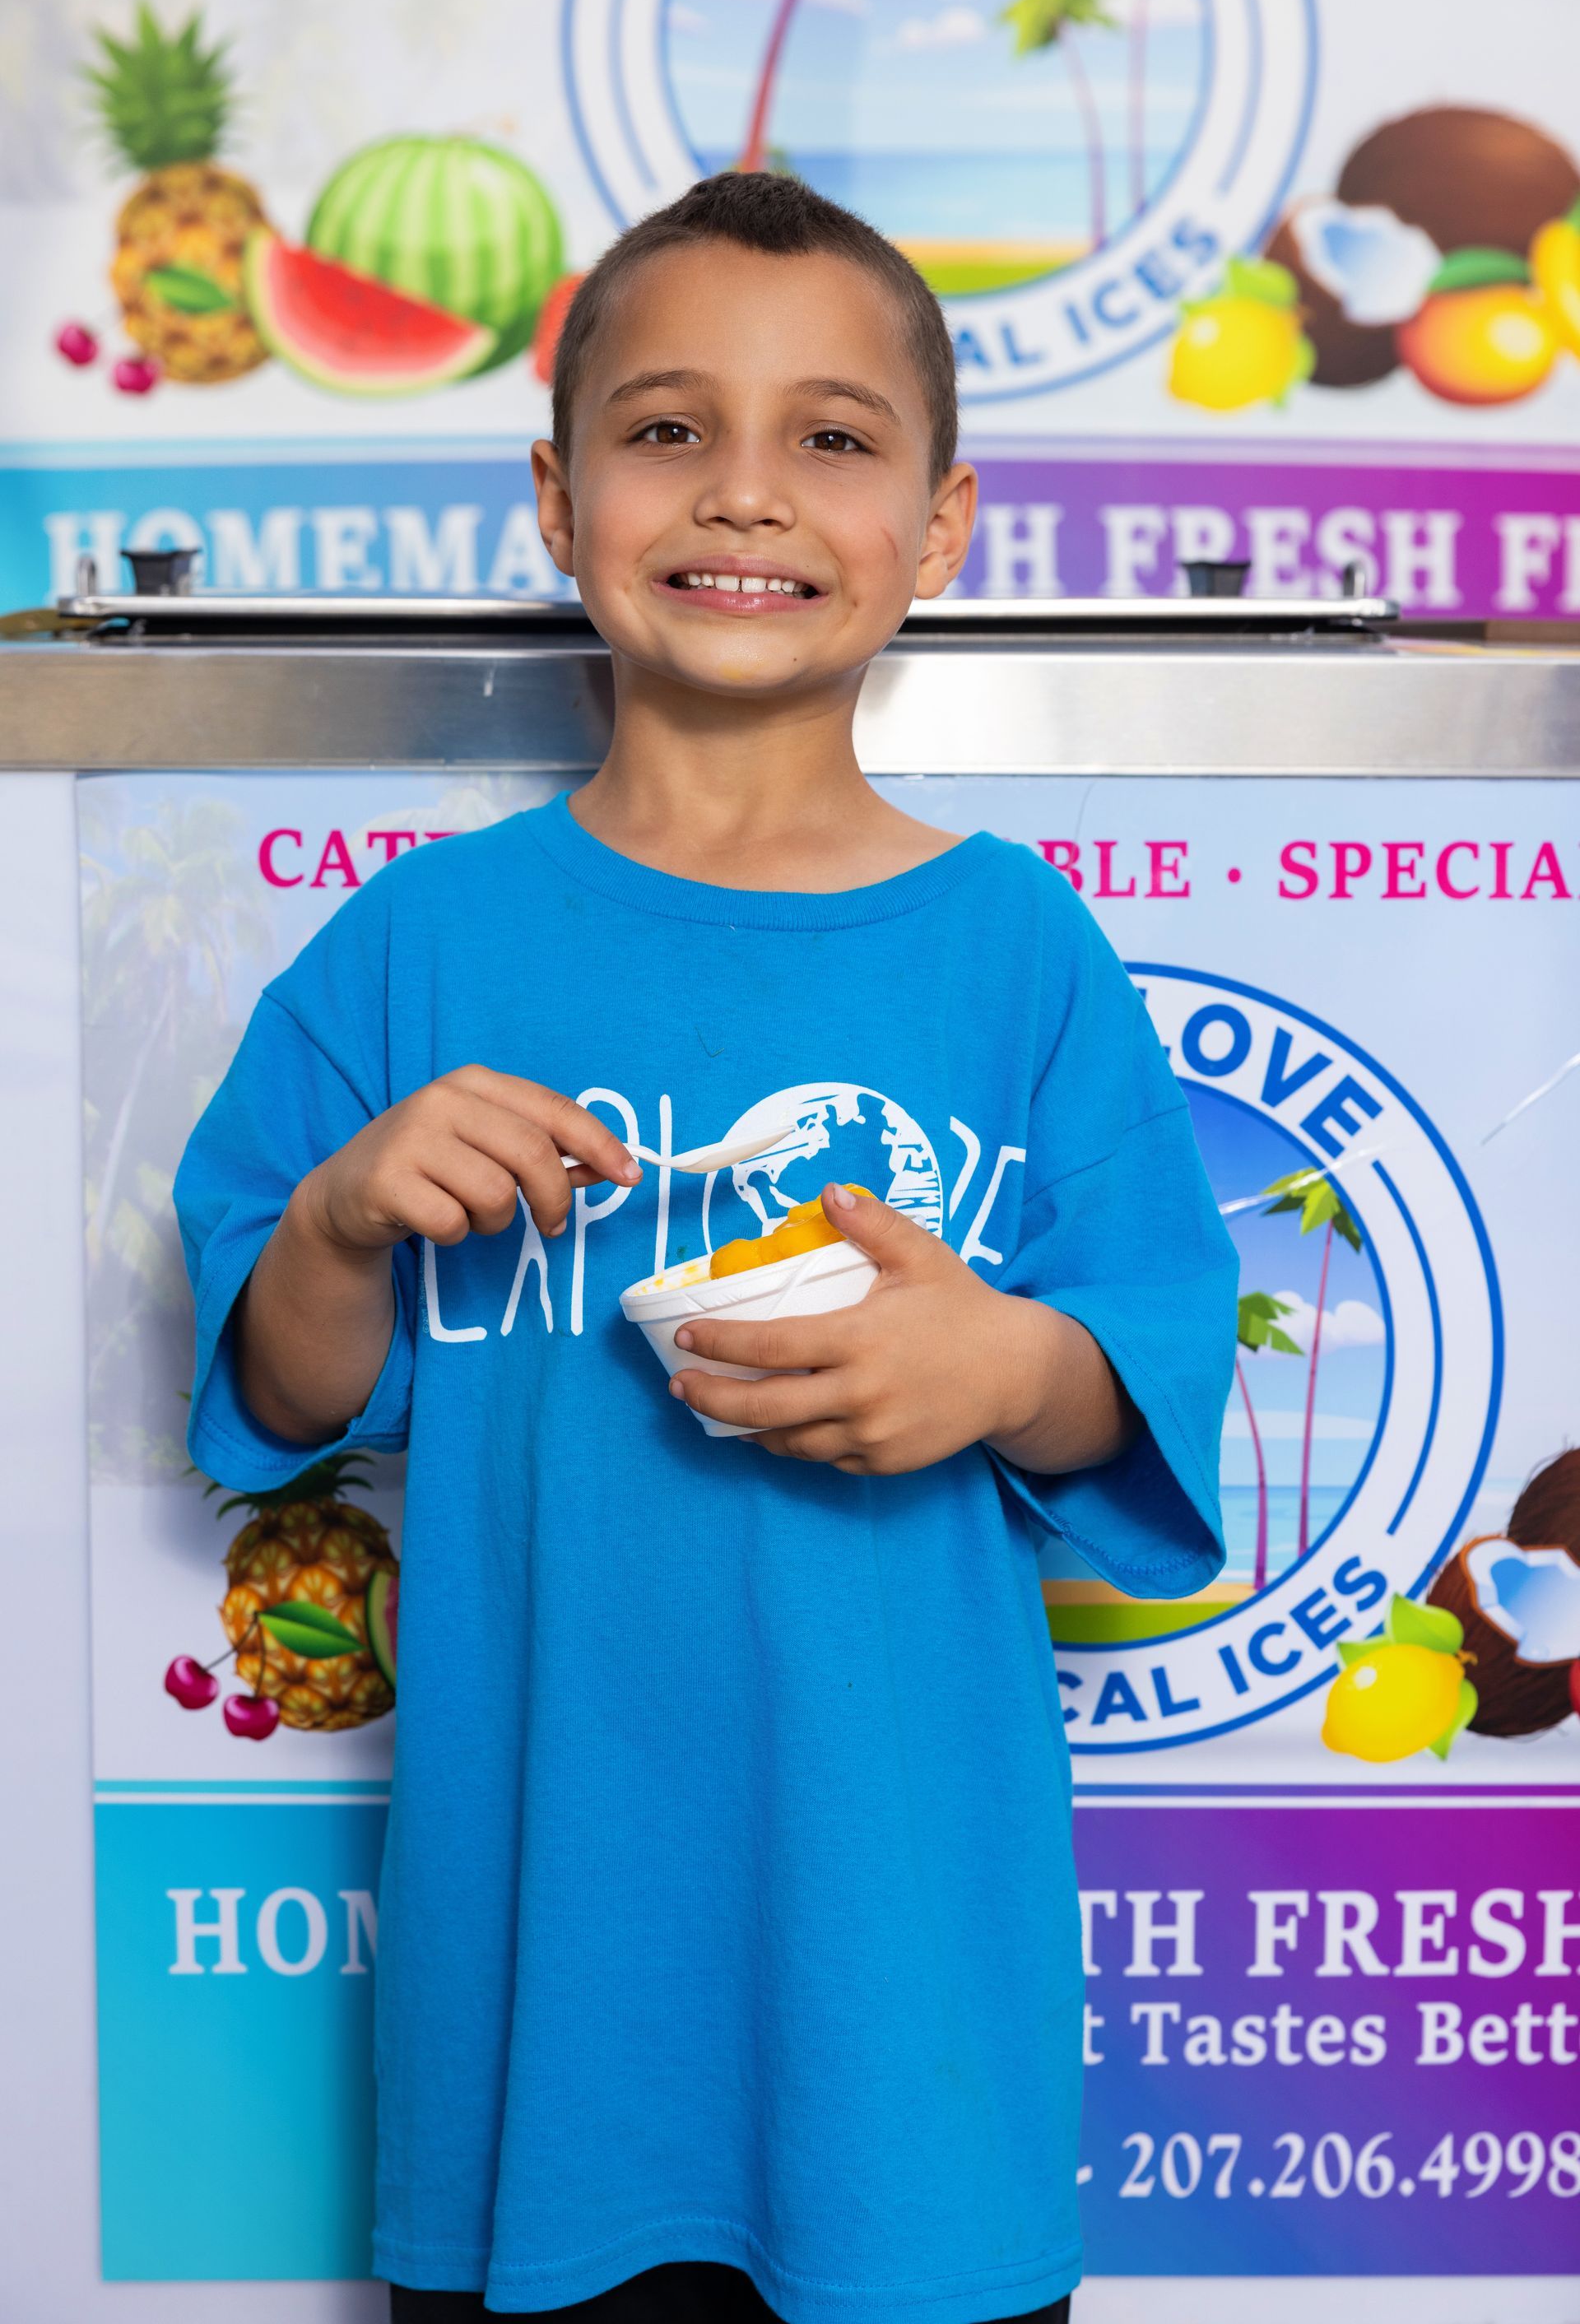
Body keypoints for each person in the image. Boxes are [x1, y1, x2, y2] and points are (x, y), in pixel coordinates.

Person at [174, 172, 1238, 2324]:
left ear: (939, 529)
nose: (743, 492)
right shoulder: (416, 948)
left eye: (833, 439)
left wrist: (1002, 1369)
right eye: (668, 431)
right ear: (559, 503)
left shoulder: (1018, 946)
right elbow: (275, 1393)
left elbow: (1145, 1364)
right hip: (538, 2044)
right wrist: (343, 1209)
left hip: (906, 2040)